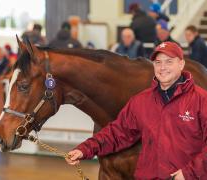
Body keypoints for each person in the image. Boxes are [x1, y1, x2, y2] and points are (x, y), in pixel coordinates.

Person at [66, 41, 207, 179]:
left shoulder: (201, 100)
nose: (162, 67)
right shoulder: (141, 101)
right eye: (158, 62)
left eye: (169, 61)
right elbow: (117, 132)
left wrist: (188, 174)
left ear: (181, 64)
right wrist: (84, 149)